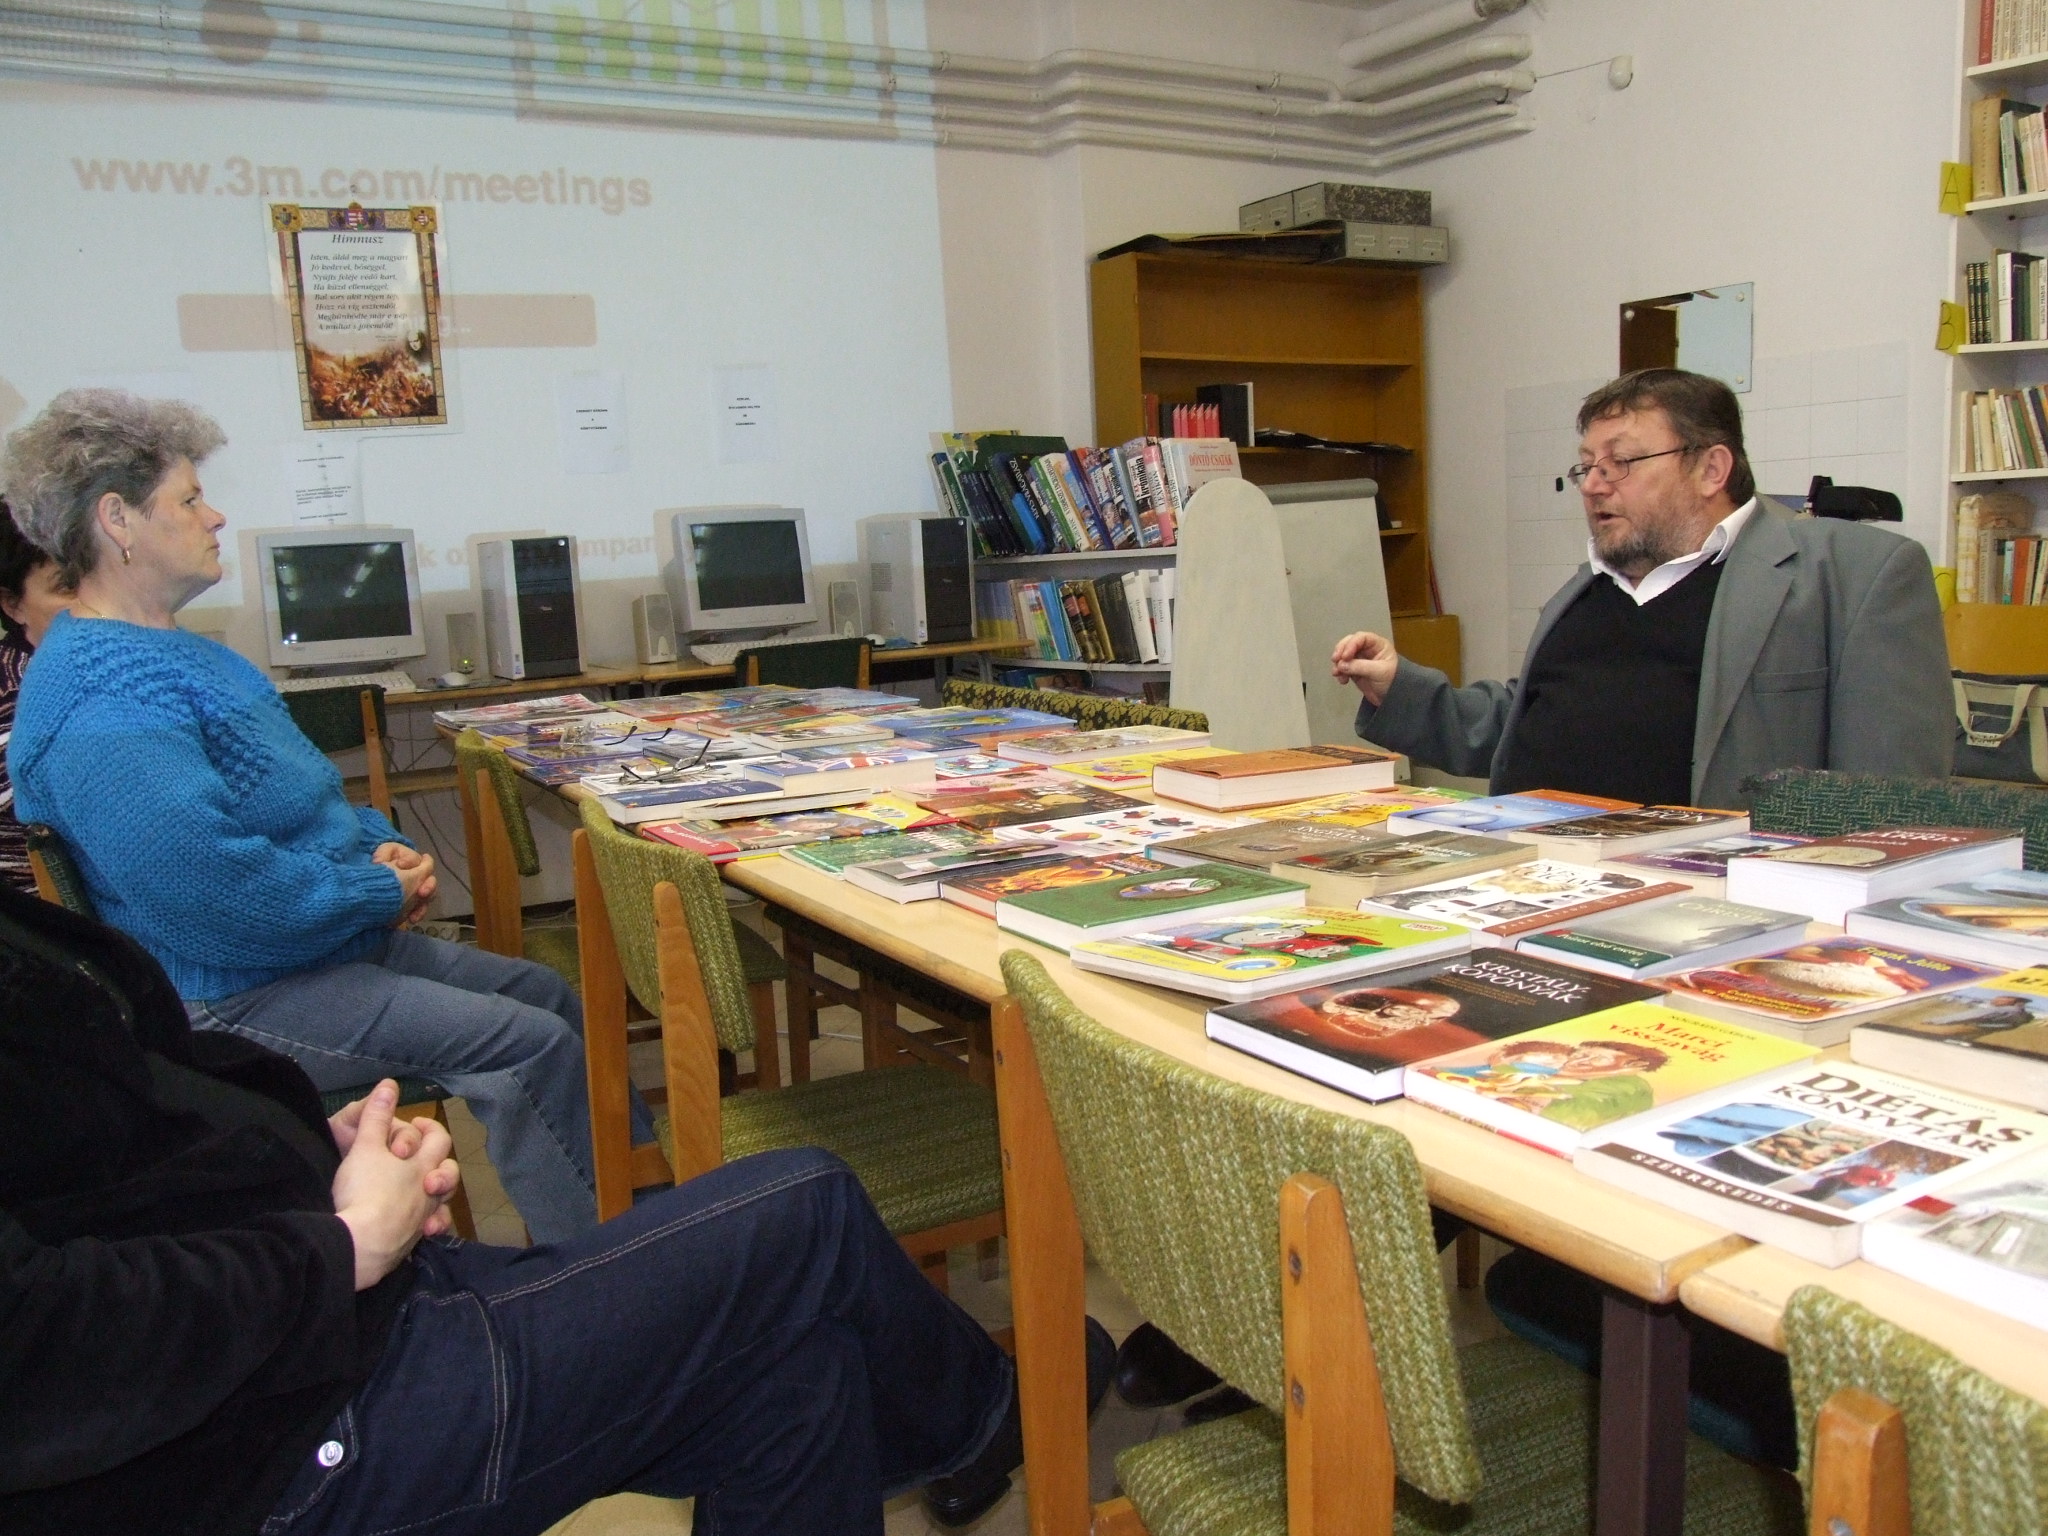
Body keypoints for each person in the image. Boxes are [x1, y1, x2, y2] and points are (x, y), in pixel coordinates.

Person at [0, 883, 1034, 1536]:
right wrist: (343, 1246)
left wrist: (307, 1154)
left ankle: (991, 1414)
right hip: (274, 1443)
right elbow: (35, 1351)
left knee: (803, 1372)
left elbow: (116, 1132)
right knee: (807, 1208)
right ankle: (999, 1413)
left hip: (299, 1331)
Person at [1, 388, 634, 1243]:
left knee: (549, 994)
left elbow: (308, 803)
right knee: (528, 1043)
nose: (214, 516)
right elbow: (214, 895)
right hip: (229, 992)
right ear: (118, 521)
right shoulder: (99, 700)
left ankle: (643, 1201)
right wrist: (373, 892)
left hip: (306, 954)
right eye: (189, 499)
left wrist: (386, 851)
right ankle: (600, 1264)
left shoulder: (178, 657)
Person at [1332, 368, 1953, 808]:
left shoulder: (1854, 575)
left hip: (1710, 907)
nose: (1592, 484)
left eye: (1620, 463)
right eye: (1587, 465)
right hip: (1534, 881)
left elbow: (1893, 800)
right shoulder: (1590, 588)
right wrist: (1401, 689)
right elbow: (1523, 725)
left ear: (1711, 468)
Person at [0, 496, 74, 892]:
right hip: (49, 920)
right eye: (66, 586)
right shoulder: (18, 700)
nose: (93, 602)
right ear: (13, 605)